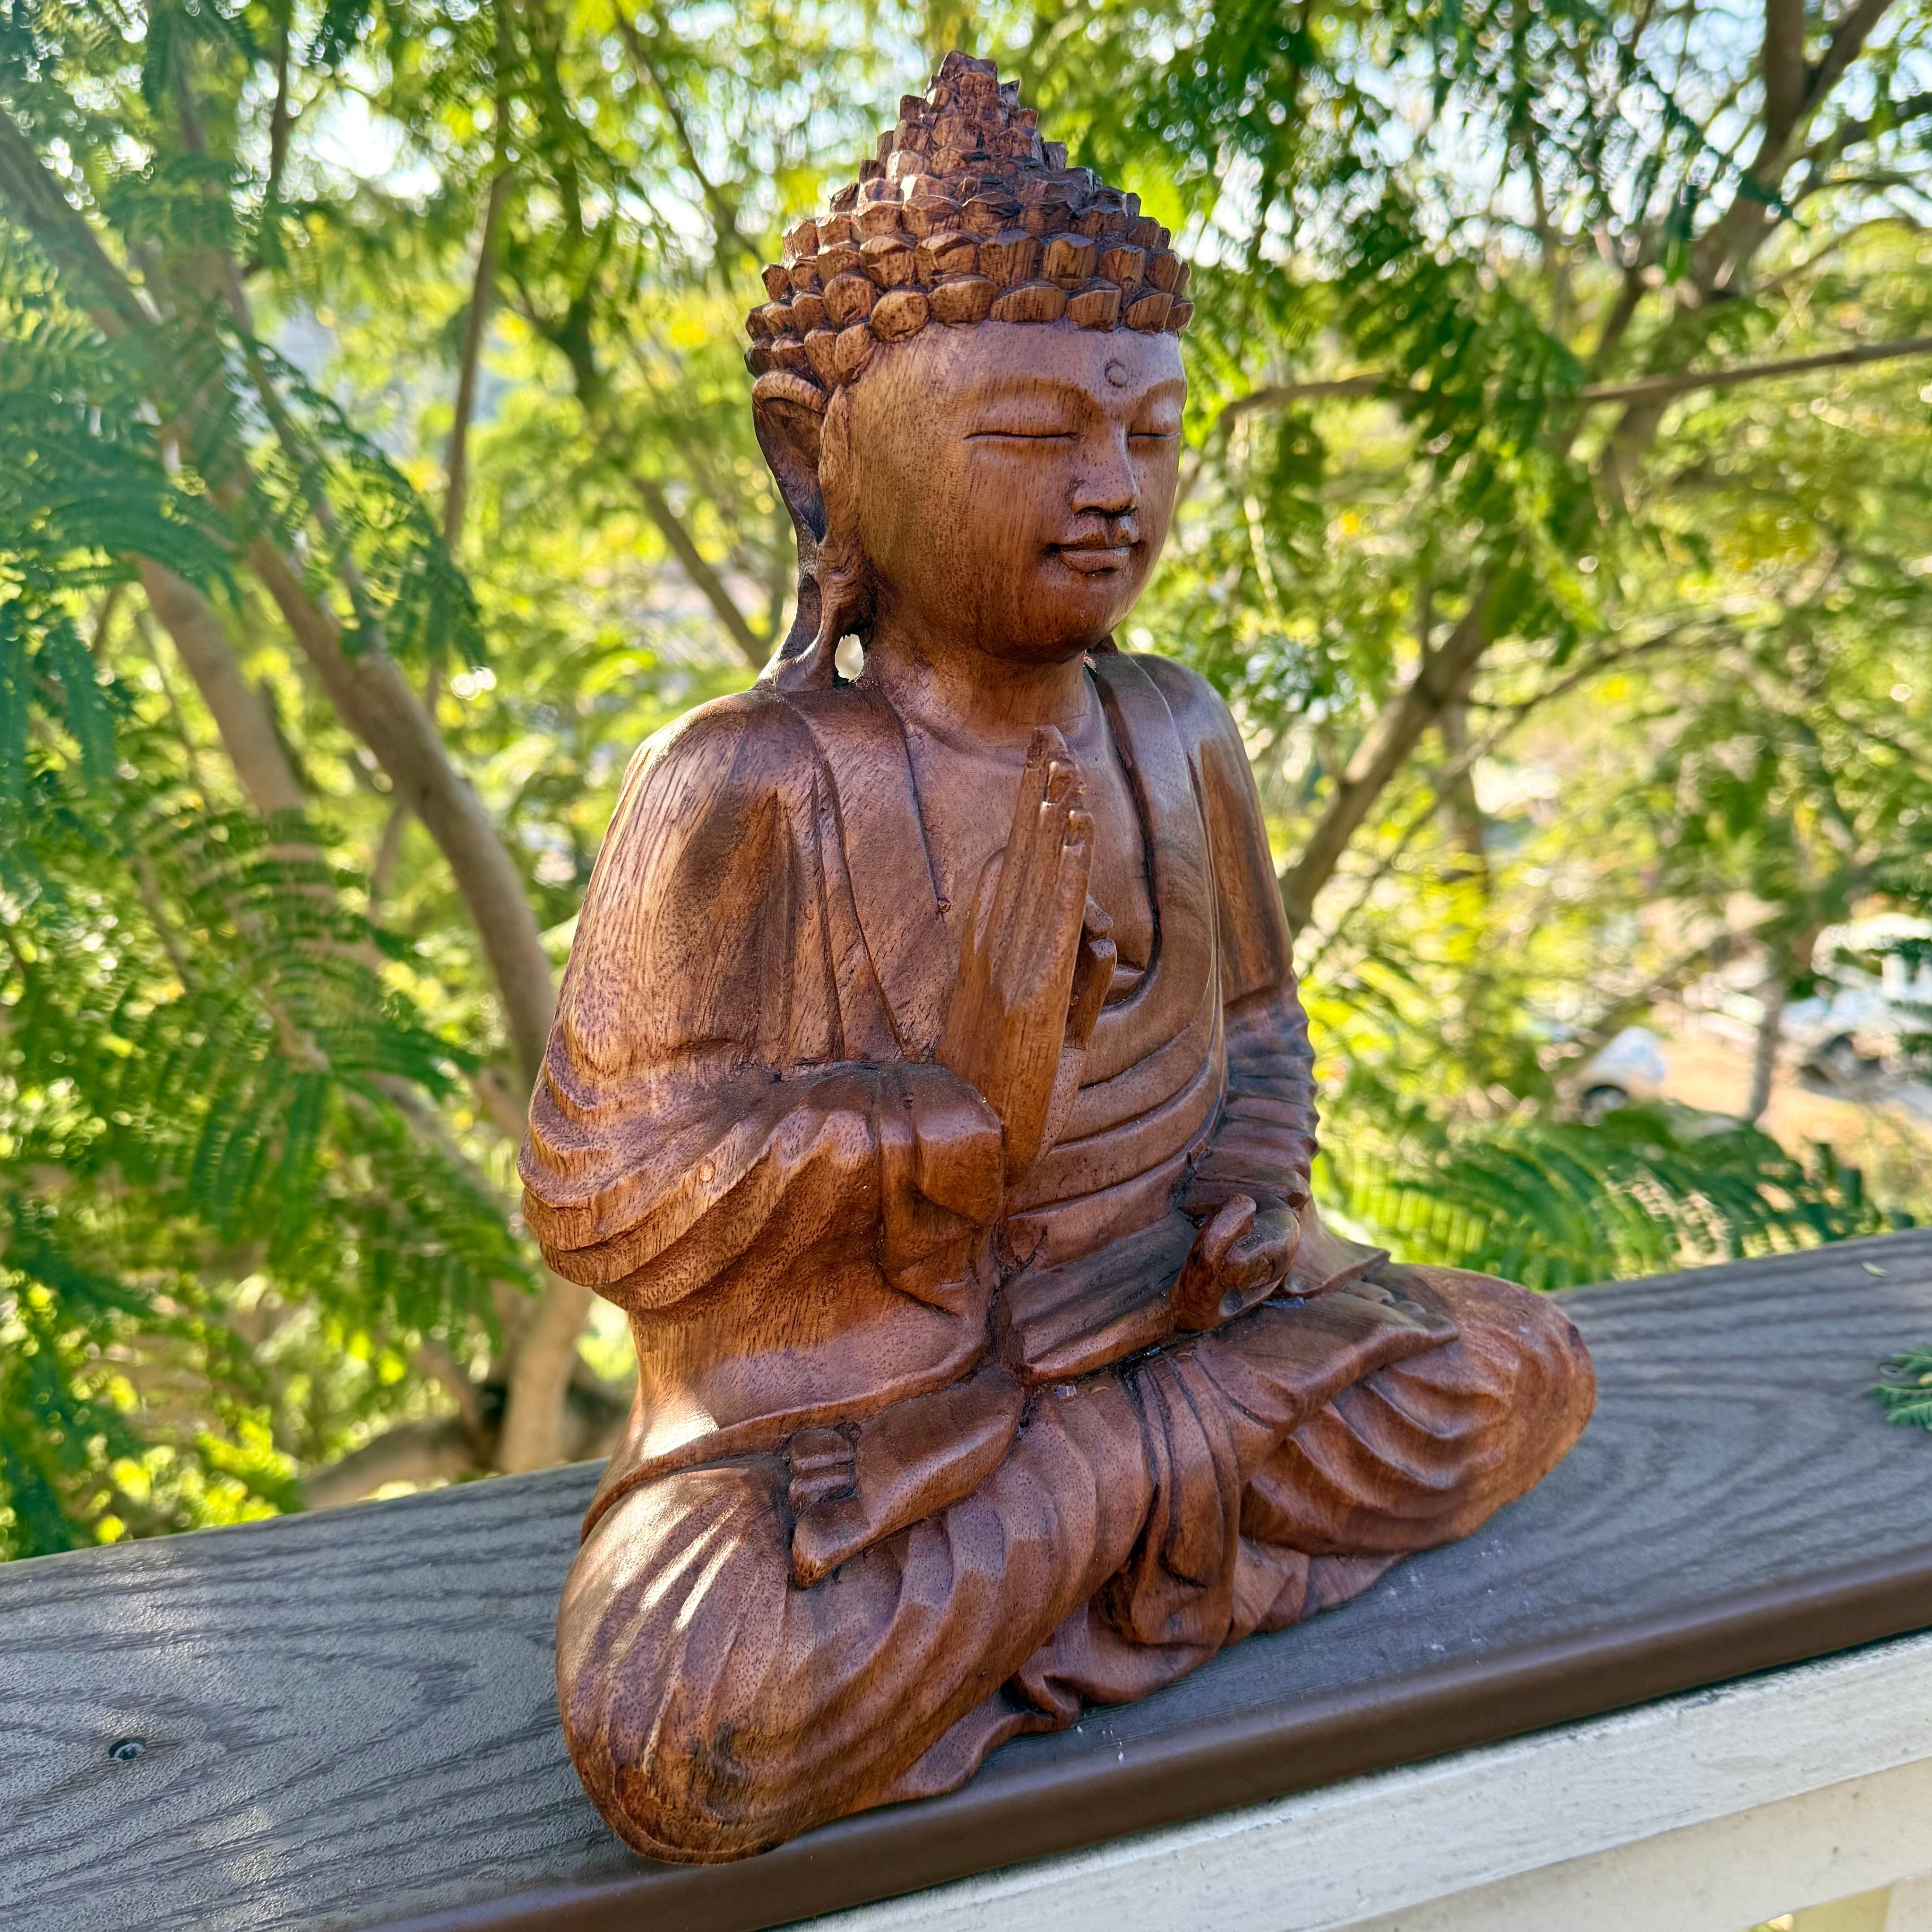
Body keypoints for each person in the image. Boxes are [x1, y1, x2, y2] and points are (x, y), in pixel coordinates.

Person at [521, 52, 1595, 1866]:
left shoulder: (1176, 730)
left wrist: (1252, 1183)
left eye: (1151, 437)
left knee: (1519, 1363)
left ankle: (1109, 1501)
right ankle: (1156, 1505)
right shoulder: (746, 785)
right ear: (817, 458)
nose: (1112, 492)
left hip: (1179, 1333)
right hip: (869, 1426)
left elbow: (1259, 1029)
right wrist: (940, 1124)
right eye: (1030, 439)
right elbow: (597, 1192)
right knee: (684, 1715)